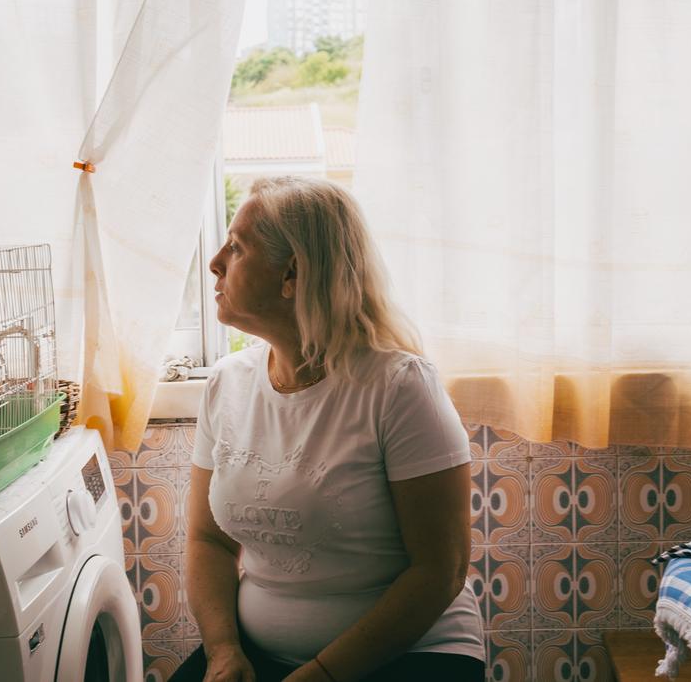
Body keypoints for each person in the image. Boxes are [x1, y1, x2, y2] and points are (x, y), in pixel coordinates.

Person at [171, 176, 484, 682]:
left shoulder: (399, 387)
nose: (215, 262)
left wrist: (321, 674)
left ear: (292, 274)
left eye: (237, 247)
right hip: (256, 655)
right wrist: (224, 650)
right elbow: (208, 540)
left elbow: (439, 570)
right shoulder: (227, 384)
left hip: (411, 655)